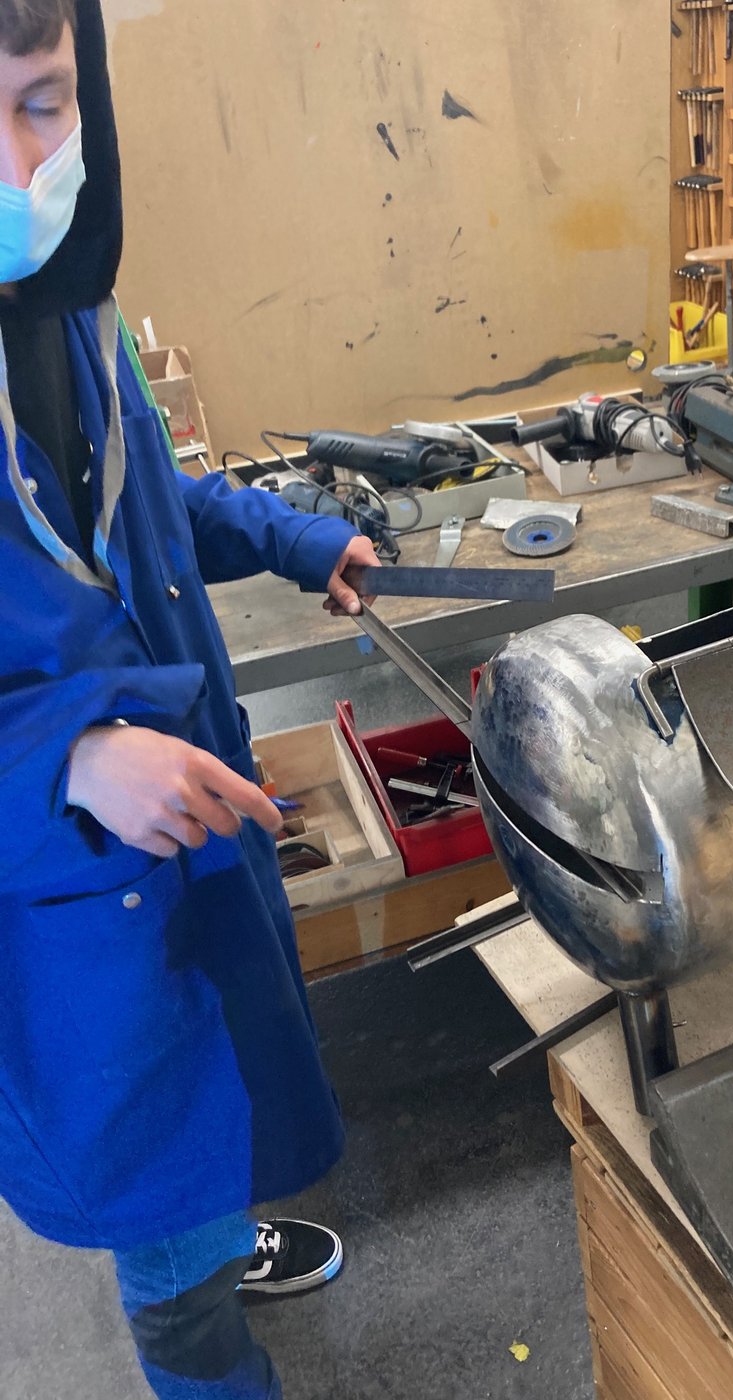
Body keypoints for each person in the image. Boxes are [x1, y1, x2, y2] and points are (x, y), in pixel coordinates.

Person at [0, 2, 383, 1396]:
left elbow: (154, 499)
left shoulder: (67, 306)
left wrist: (300, 538)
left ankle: (223, 1237)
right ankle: (205, 1331)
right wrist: (68, 761)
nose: (14, 169)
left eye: (41, 104)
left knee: (217, 1099)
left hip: (189, 828)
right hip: (62, 900)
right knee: (161, 1227)